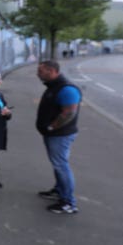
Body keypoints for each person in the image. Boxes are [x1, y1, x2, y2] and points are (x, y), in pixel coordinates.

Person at [35, 60, 81, 214]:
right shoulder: (54, 86)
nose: (38, 74)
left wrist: (50, 127)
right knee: (58, 164)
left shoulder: (66, 89)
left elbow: (69, 113)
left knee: (61, 165)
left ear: (51, 71)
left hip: (60, 135)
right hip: (54, 134)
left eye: (41, 71)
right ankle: (59, 190)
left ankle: (68, 202)